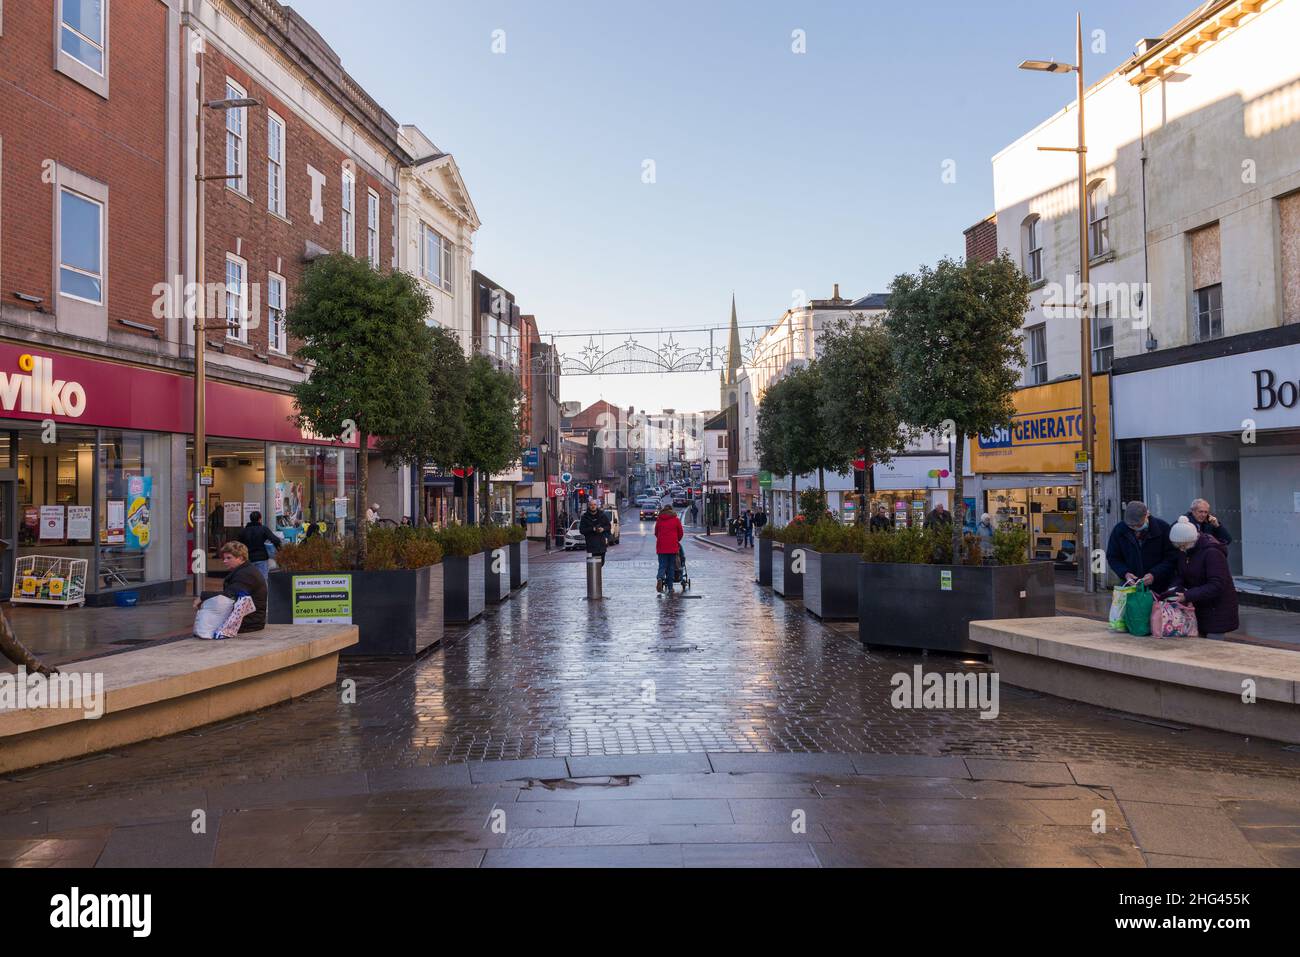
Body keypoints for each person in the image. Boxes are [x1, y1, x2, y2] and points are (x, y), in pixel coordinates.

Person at [1168, 515, 1239, 640]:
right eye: (1178, 546)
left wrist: (1188, 595)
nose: (1181, 549)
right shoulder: (1186, 551)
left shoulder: (1212, 553)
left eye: (1183, 545)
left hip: (1216, 609)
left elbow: (1217, 585)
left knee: (1213, 650)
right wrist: (1174, 588)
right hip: (1199, 607)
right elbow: (1182, 574)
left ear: (1192, 540)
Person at [192, 541, 267, 634]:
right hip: (247, 620)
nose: (224, 561)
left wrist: (203, 596)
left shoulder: (246, 574)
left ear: (240, 558)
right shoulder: (244, 570)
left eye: (229, 558)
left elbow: (230, 595)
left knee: (205, 627)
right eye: (224, 558)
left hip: (248, 622)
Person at [1105, 500, 1177, 591]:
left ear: (1147, 515)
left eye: (1138, 525)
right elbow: (1113, 557)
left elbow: (1171, 558)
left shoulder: (1163, 528)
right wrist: (1125, 573)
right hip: (1131, 586)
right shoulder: (1119, 530)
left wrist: (1154, 574)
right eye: (1131, 526)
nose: (1135, 529)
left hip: (1160, 585)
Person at [238, 510, 282, 580]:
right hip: (262, 558)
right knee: (263, 580)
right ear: (260, 519)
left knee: (250, 580)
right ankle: (263, 591)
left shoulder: (243, 531)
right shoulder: (263, 529)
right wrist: (280, 550)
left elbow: (238, 545)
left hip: (248, 558)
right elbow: (275, 540)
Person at [654, 505, 685, 593]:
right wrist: (676, 540)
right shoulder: (676, 519)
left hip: (661, 547)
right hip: (673, 547)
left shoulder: (659, 519)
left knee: (662, 566)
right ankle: (670, 587)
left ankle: (660, 578)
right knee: (671, 567)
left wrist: (661, 539)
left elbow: (656, 532)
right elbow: (681, 533)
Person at [579, 498, 609, 567]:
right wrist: (592, 529)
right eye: (591, 505)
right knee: (593, 565)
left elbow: (608, 526)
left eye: (594, 504)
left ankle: (597, 577)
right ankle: (595, 577)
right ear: (589, 506)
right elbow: (582, 530)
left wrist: (603, 529)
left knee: (601, 563)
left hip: (601, 545)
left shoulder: (602, 515)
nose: (593, 506)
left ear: (597, 506)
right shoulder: (585, 517)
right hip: (591, 545)